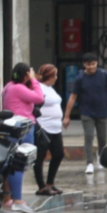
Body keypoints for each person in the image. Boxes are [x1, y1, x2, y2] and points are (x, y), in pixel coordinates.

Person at [63, 52, 107, 176]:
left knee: (102, 138)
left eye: (93, 64)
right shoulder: (80, 78)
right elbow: (73, 97)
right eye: (88, 64)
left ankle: (100, 157)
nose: (91, 67)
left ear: (97, 63)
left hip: (103, 111)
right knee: (89, 136)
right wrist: (67, 116)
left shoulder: (104, 75)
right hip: (86, 112)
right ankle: (89, 162)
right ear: (84, 65)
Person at [1, 63, 44, 213]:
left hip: (10, 126)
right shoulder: (19, 88)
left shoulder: (9, 86)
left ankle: (7, 198)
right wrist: (34, 81)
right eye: (30, 74)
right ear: (26, 74)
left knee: (9, 164)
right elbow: (39, 98)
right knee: (19, 164)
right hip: (22, 128)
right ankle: (18, 199)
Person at [34, 64, 65, 196]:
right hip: (44, 127)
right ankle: (41, 186)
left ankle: (50, 183)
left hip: (55, 128)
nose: (57, 78)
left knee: (58, 154)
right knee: (40, 157)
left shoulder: (50, 89)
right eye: (55, 75)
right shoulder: (39, 88)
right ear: (50, 76)